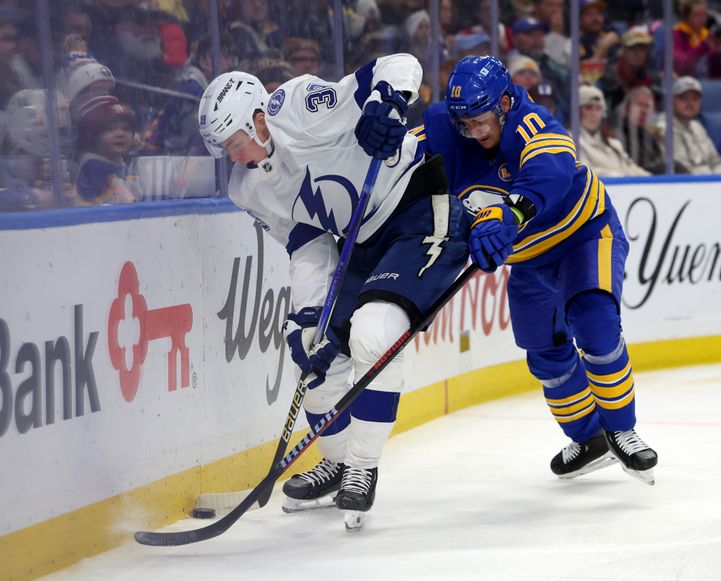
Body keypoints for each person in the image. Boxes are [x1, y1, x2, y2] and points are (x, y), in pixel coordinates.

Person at [197, 55, 469, 528]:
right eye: (225, 149)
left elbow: (397, 65)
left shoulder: (296, 107)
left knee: (372, 332)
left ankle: (362, 468)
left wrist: (386, 104)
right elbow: (305, 244)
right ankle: (338, 460)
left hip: (417, 207)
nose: (234, 155)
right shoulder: (245, 188)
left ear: (259, 120)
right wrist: (309, 312)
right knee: (310, 345)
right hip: (359, 241)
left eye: (236, 142)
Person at [414, 56, 658, 485]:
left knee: (595, 322)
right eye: (464, 123)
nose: (473, 131)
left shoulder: (533, 122)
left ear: (505, 102)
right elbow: (401, 166)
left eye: (480, 119)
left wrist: (508, 214)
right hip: (527, 261)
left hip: (584, 236)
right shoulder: (444, 129)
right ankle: (588, 439)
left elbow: (552, 171)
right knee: (544, 354)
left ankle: (621, 428)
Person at [73, 95, 139, 205]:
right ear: (95, 137)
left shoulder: (121, 162)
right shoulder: (93, 166)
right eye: (110, 129)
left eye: (126, 129)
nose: (120, 134)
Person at [657, 76, 721, 174]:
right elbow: (682, 170)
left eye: (695, 99)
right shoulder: (665, 127)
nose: (690, 103)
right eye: (684, 98)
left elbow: (716, 161)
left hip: (710, 182)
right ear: (672, 101)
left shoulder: (697, 126)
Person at [578, 85, 650, 177]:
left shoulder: (614, 144)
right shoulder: (571, 142)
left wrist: (651, 178)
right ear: (577, 111)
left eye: (598, 109)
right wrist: (620, 176)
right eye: (588, 108)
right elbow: (584, 172)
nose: (594, 114)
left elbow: (631, 167)